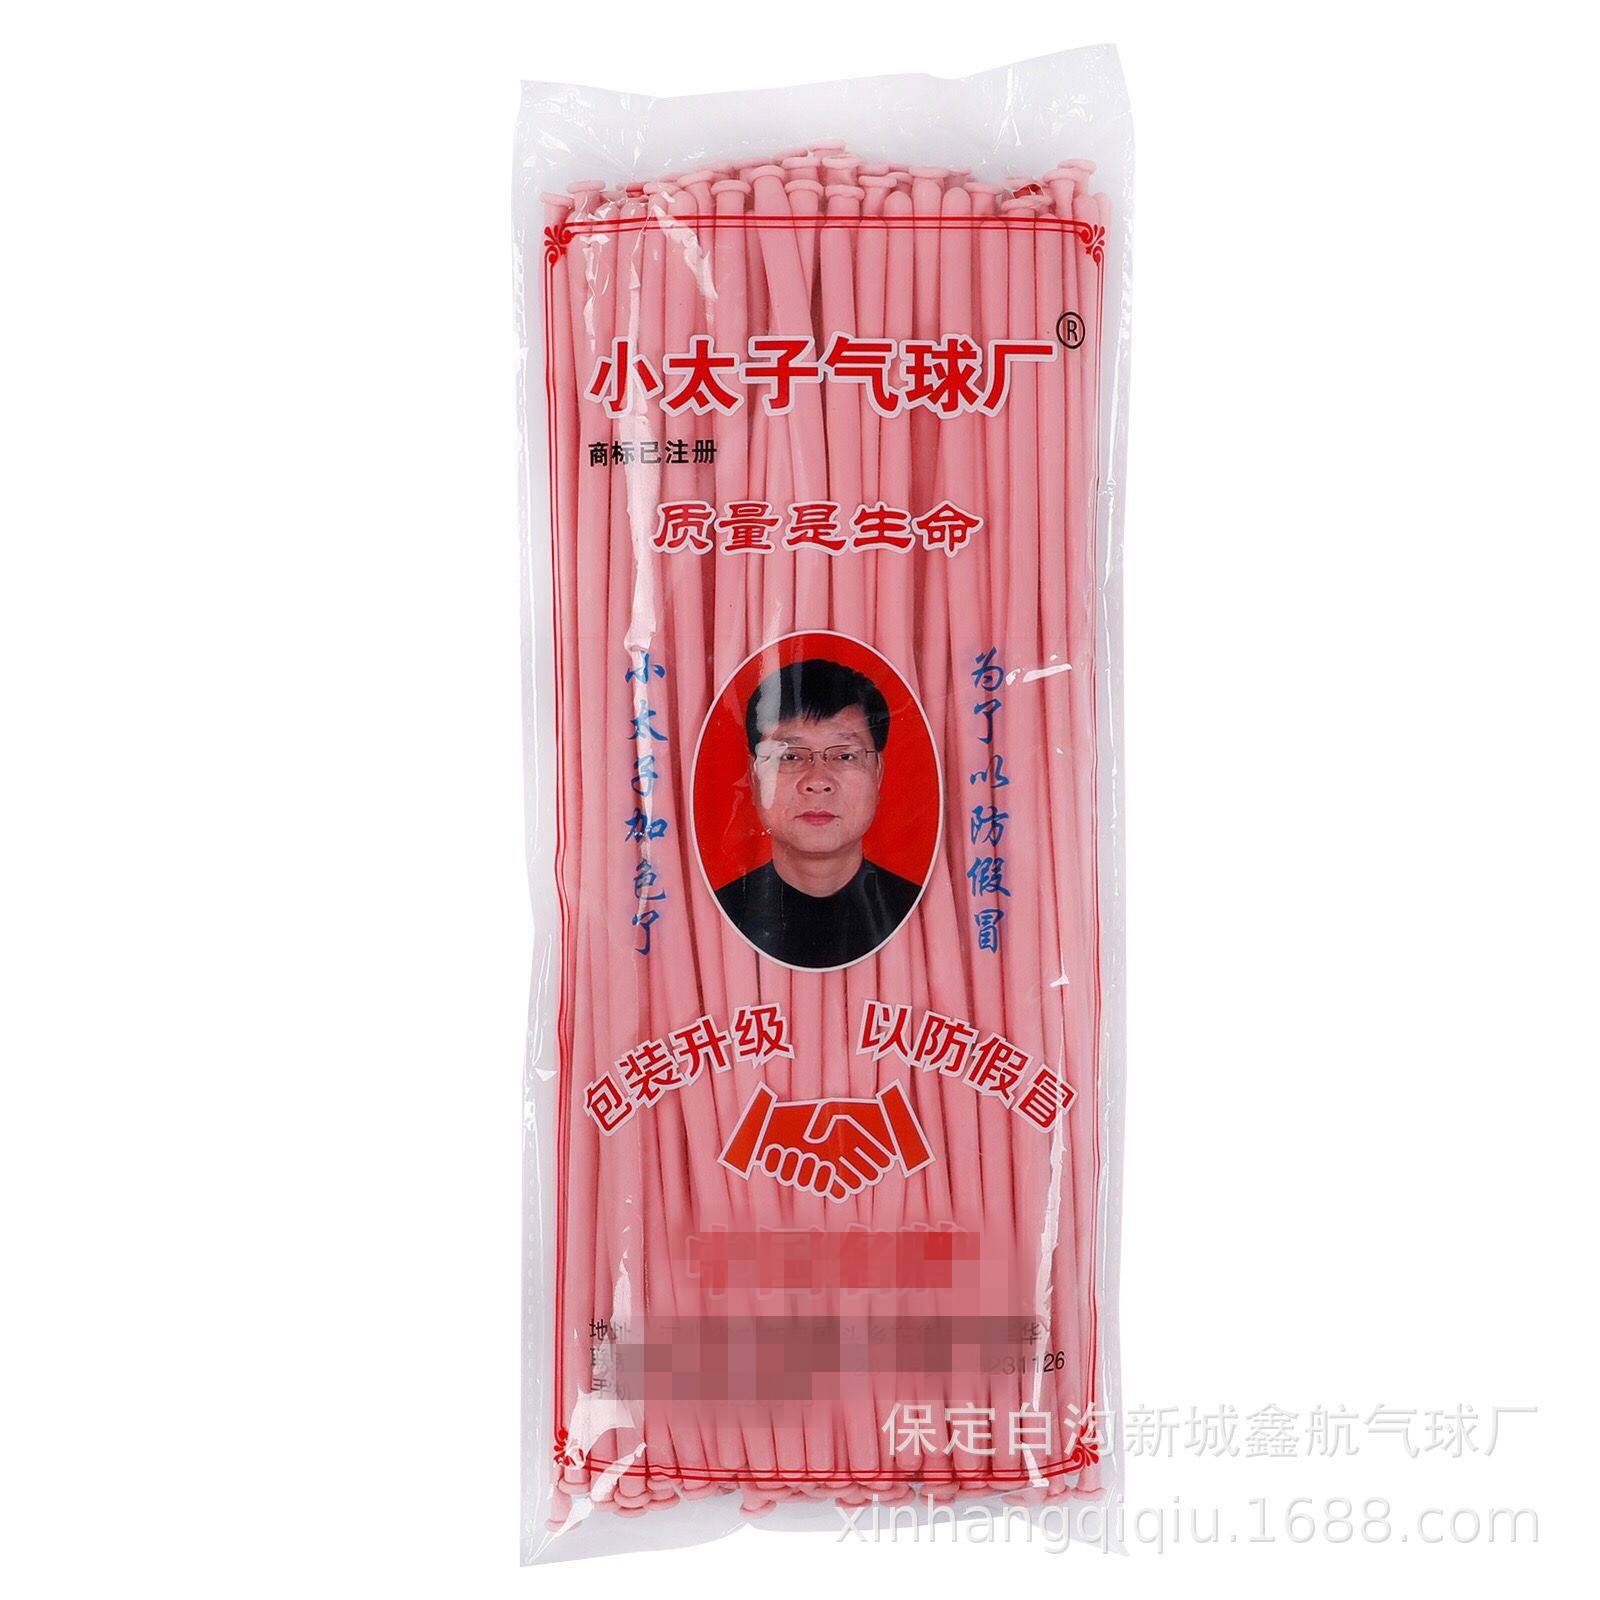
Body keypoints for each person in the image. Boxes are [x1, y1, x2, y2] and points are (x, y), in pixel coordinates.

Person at [713, 658, 923, 968]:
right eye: (790, 756)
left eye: (845, 756)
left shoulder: (922, 914)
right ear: (755, 777)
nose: (818, 781)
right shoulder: (714, 918)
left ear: (878, 773)